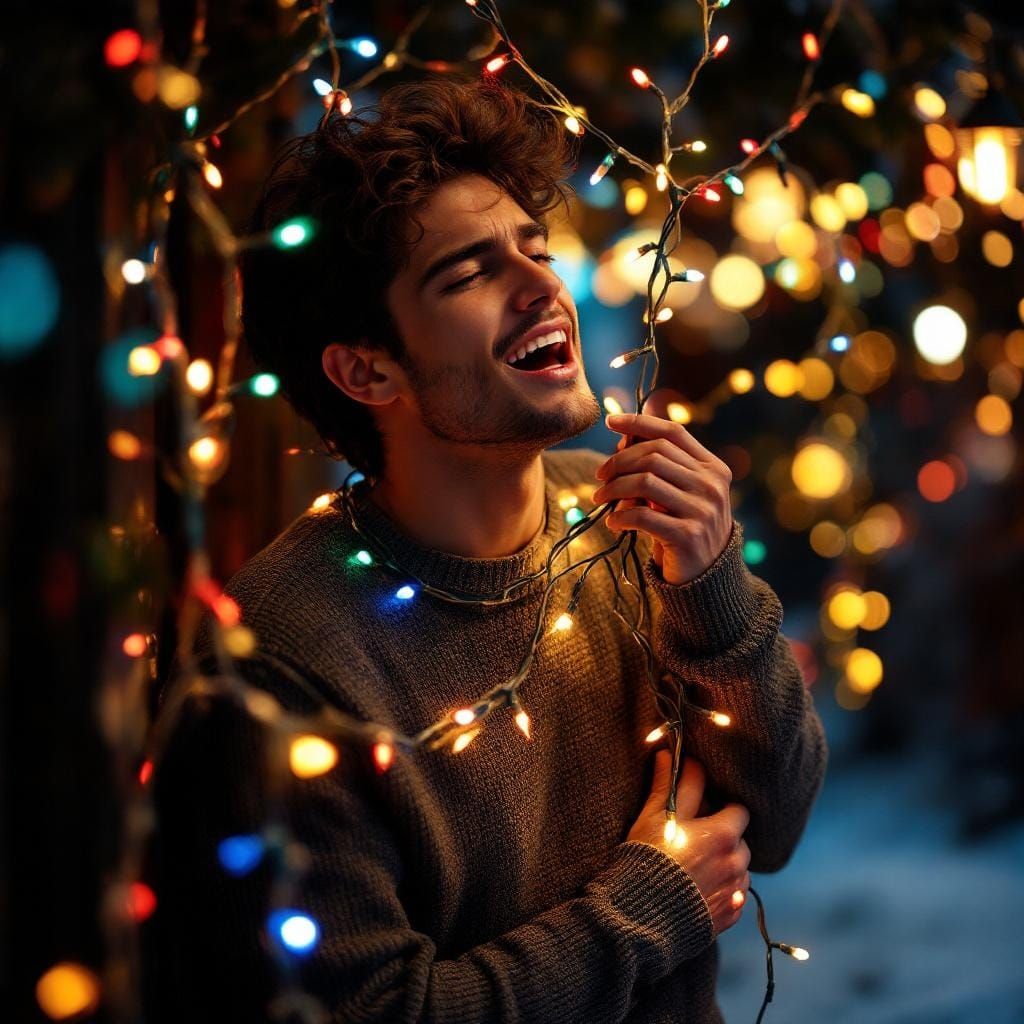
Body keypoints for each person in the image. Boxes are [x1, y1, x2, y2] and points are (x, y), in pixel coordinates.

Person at [144, 76, 828, 1023]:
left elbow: (776, 823)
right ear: (366, 368)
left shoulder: (624, 523)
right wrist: (647, 909)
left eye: (536, 248)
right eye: (469, 274)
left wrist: (710, 585)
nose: (541, 285)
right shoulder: (281, 661)